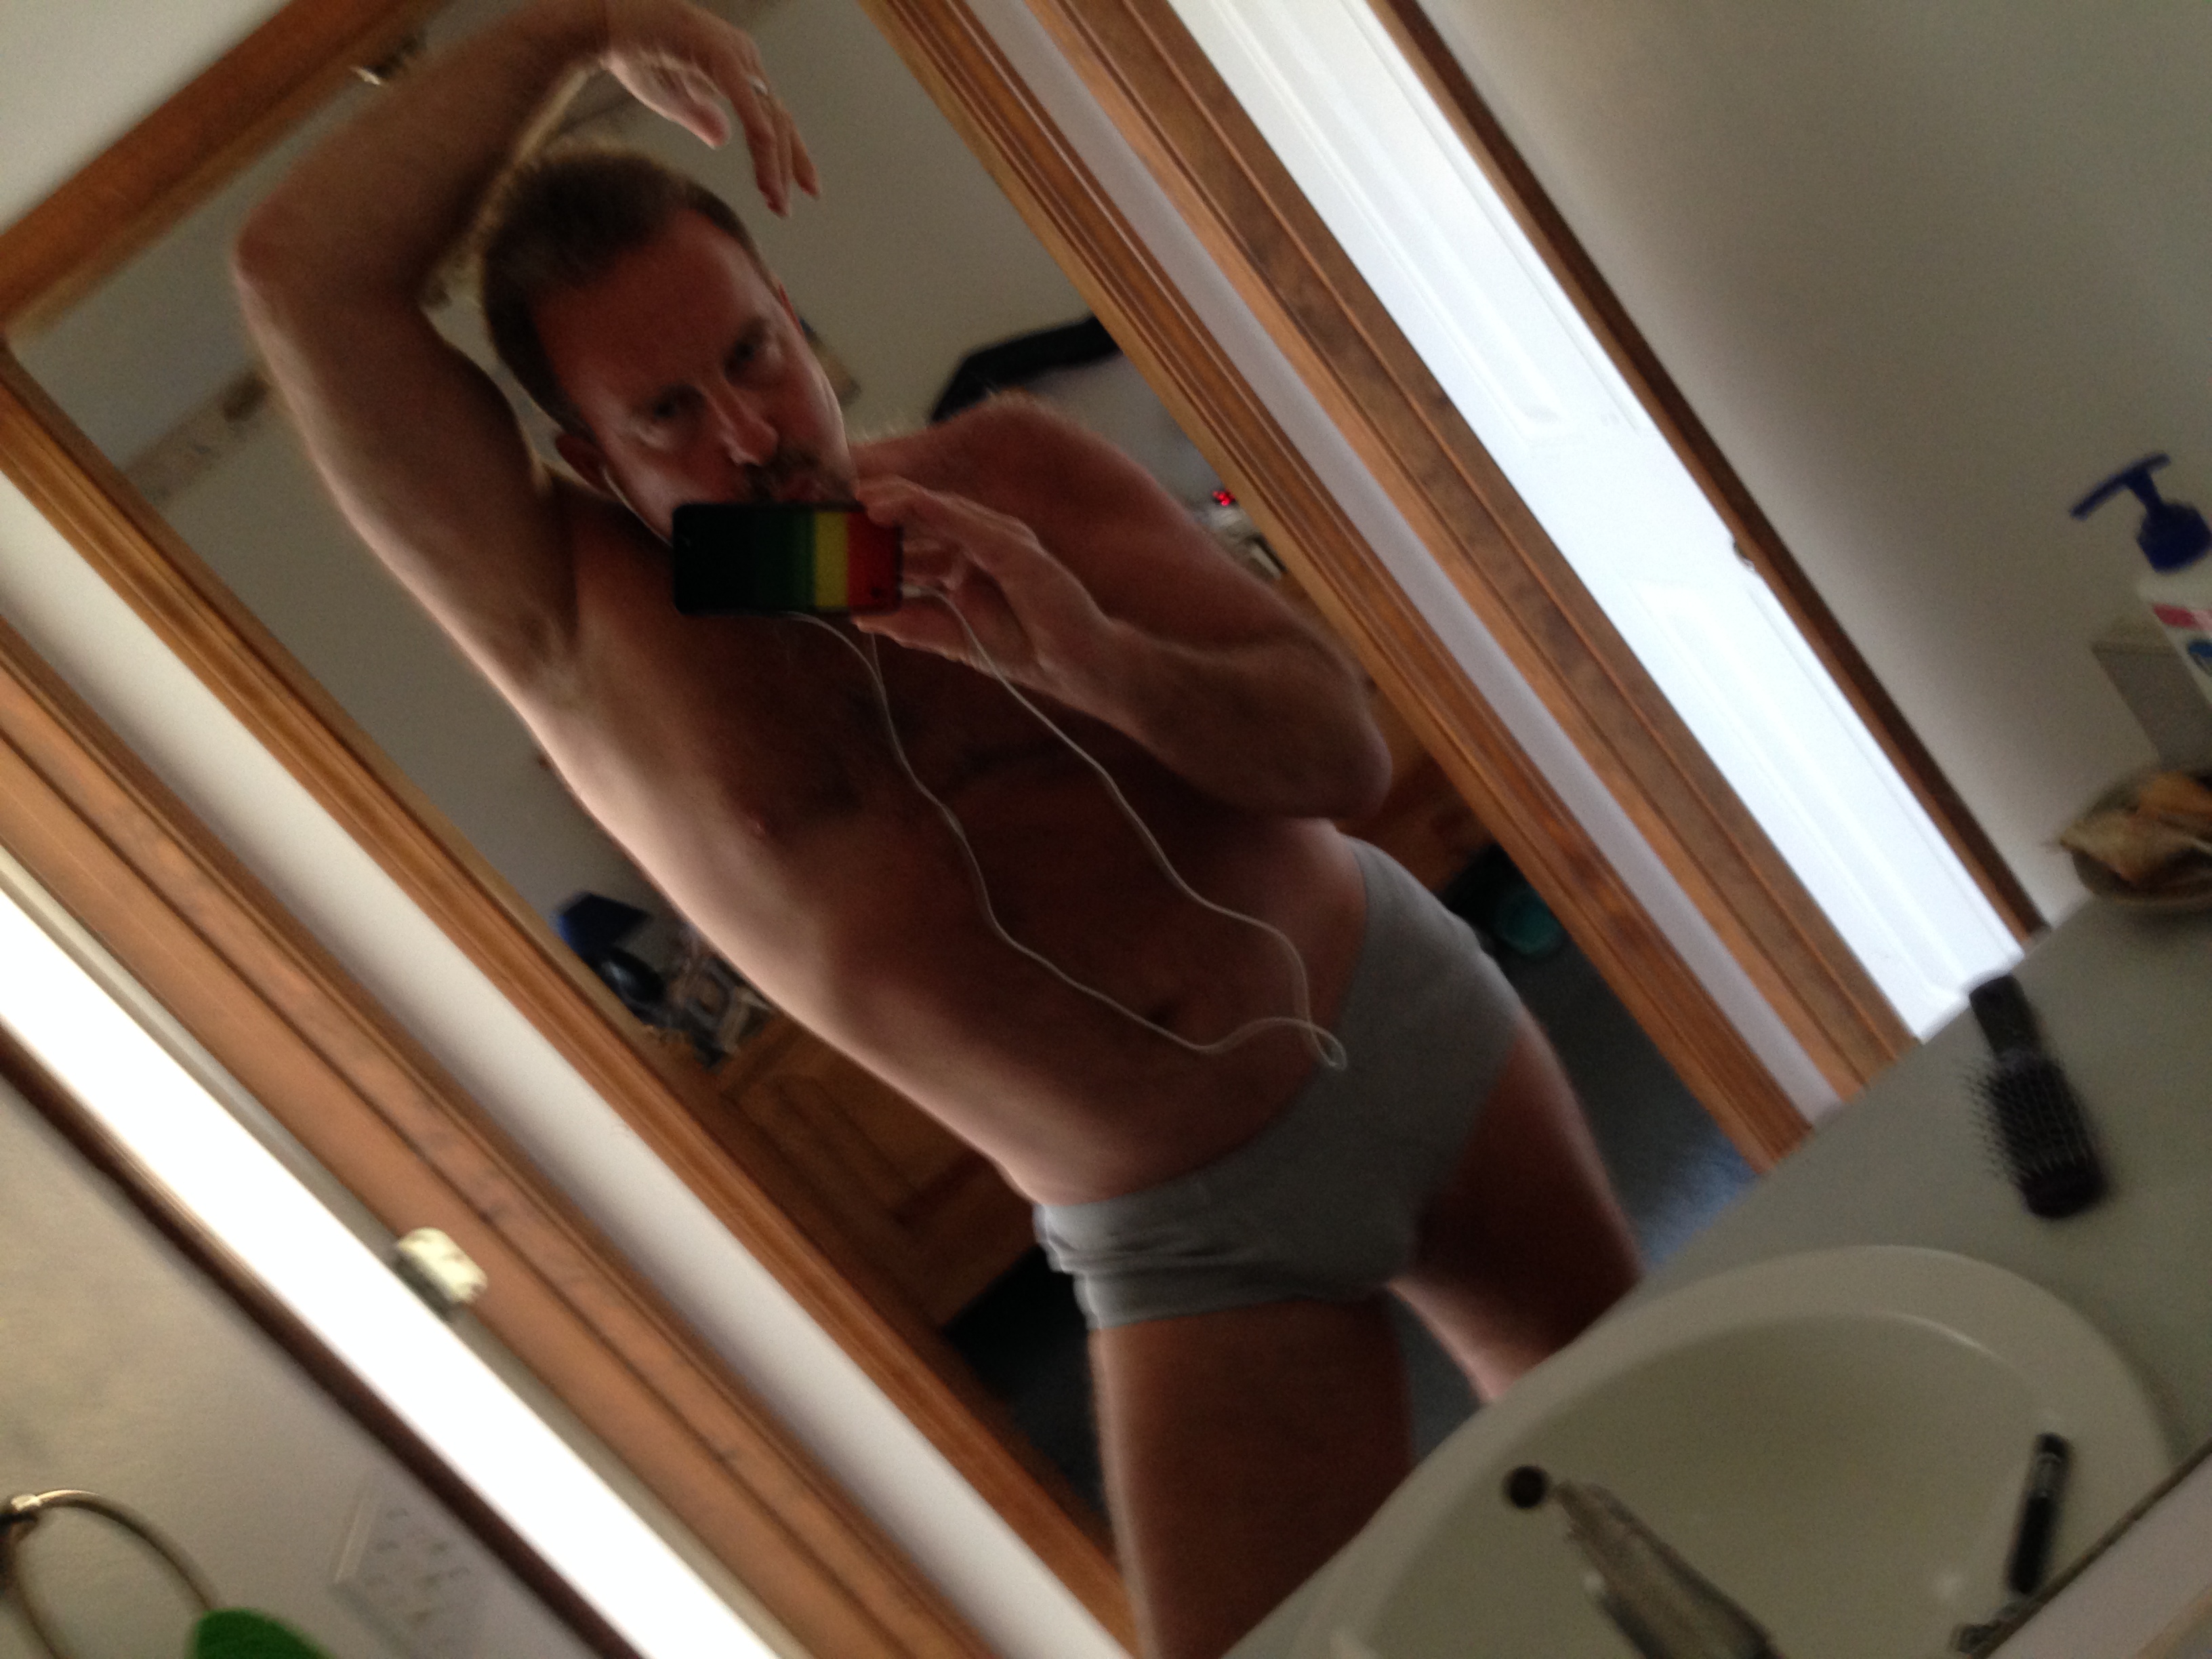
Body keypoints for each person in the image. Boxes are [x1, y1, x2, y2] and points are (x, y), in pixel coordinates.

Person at [232, 1, 1640, 1652]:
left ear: (792, 313)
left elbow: (1337, 752)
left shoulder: (1010, 473)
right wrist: (584, 24)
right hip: (1184, 1237)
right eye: (666, 414)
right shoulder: (579, 637)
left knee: (1674, 1453)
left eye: (751, 356)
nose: (751, 437)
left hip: (1406, 1027)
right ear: (586, 458)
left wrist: (1094, 662)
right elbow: (301, 278)